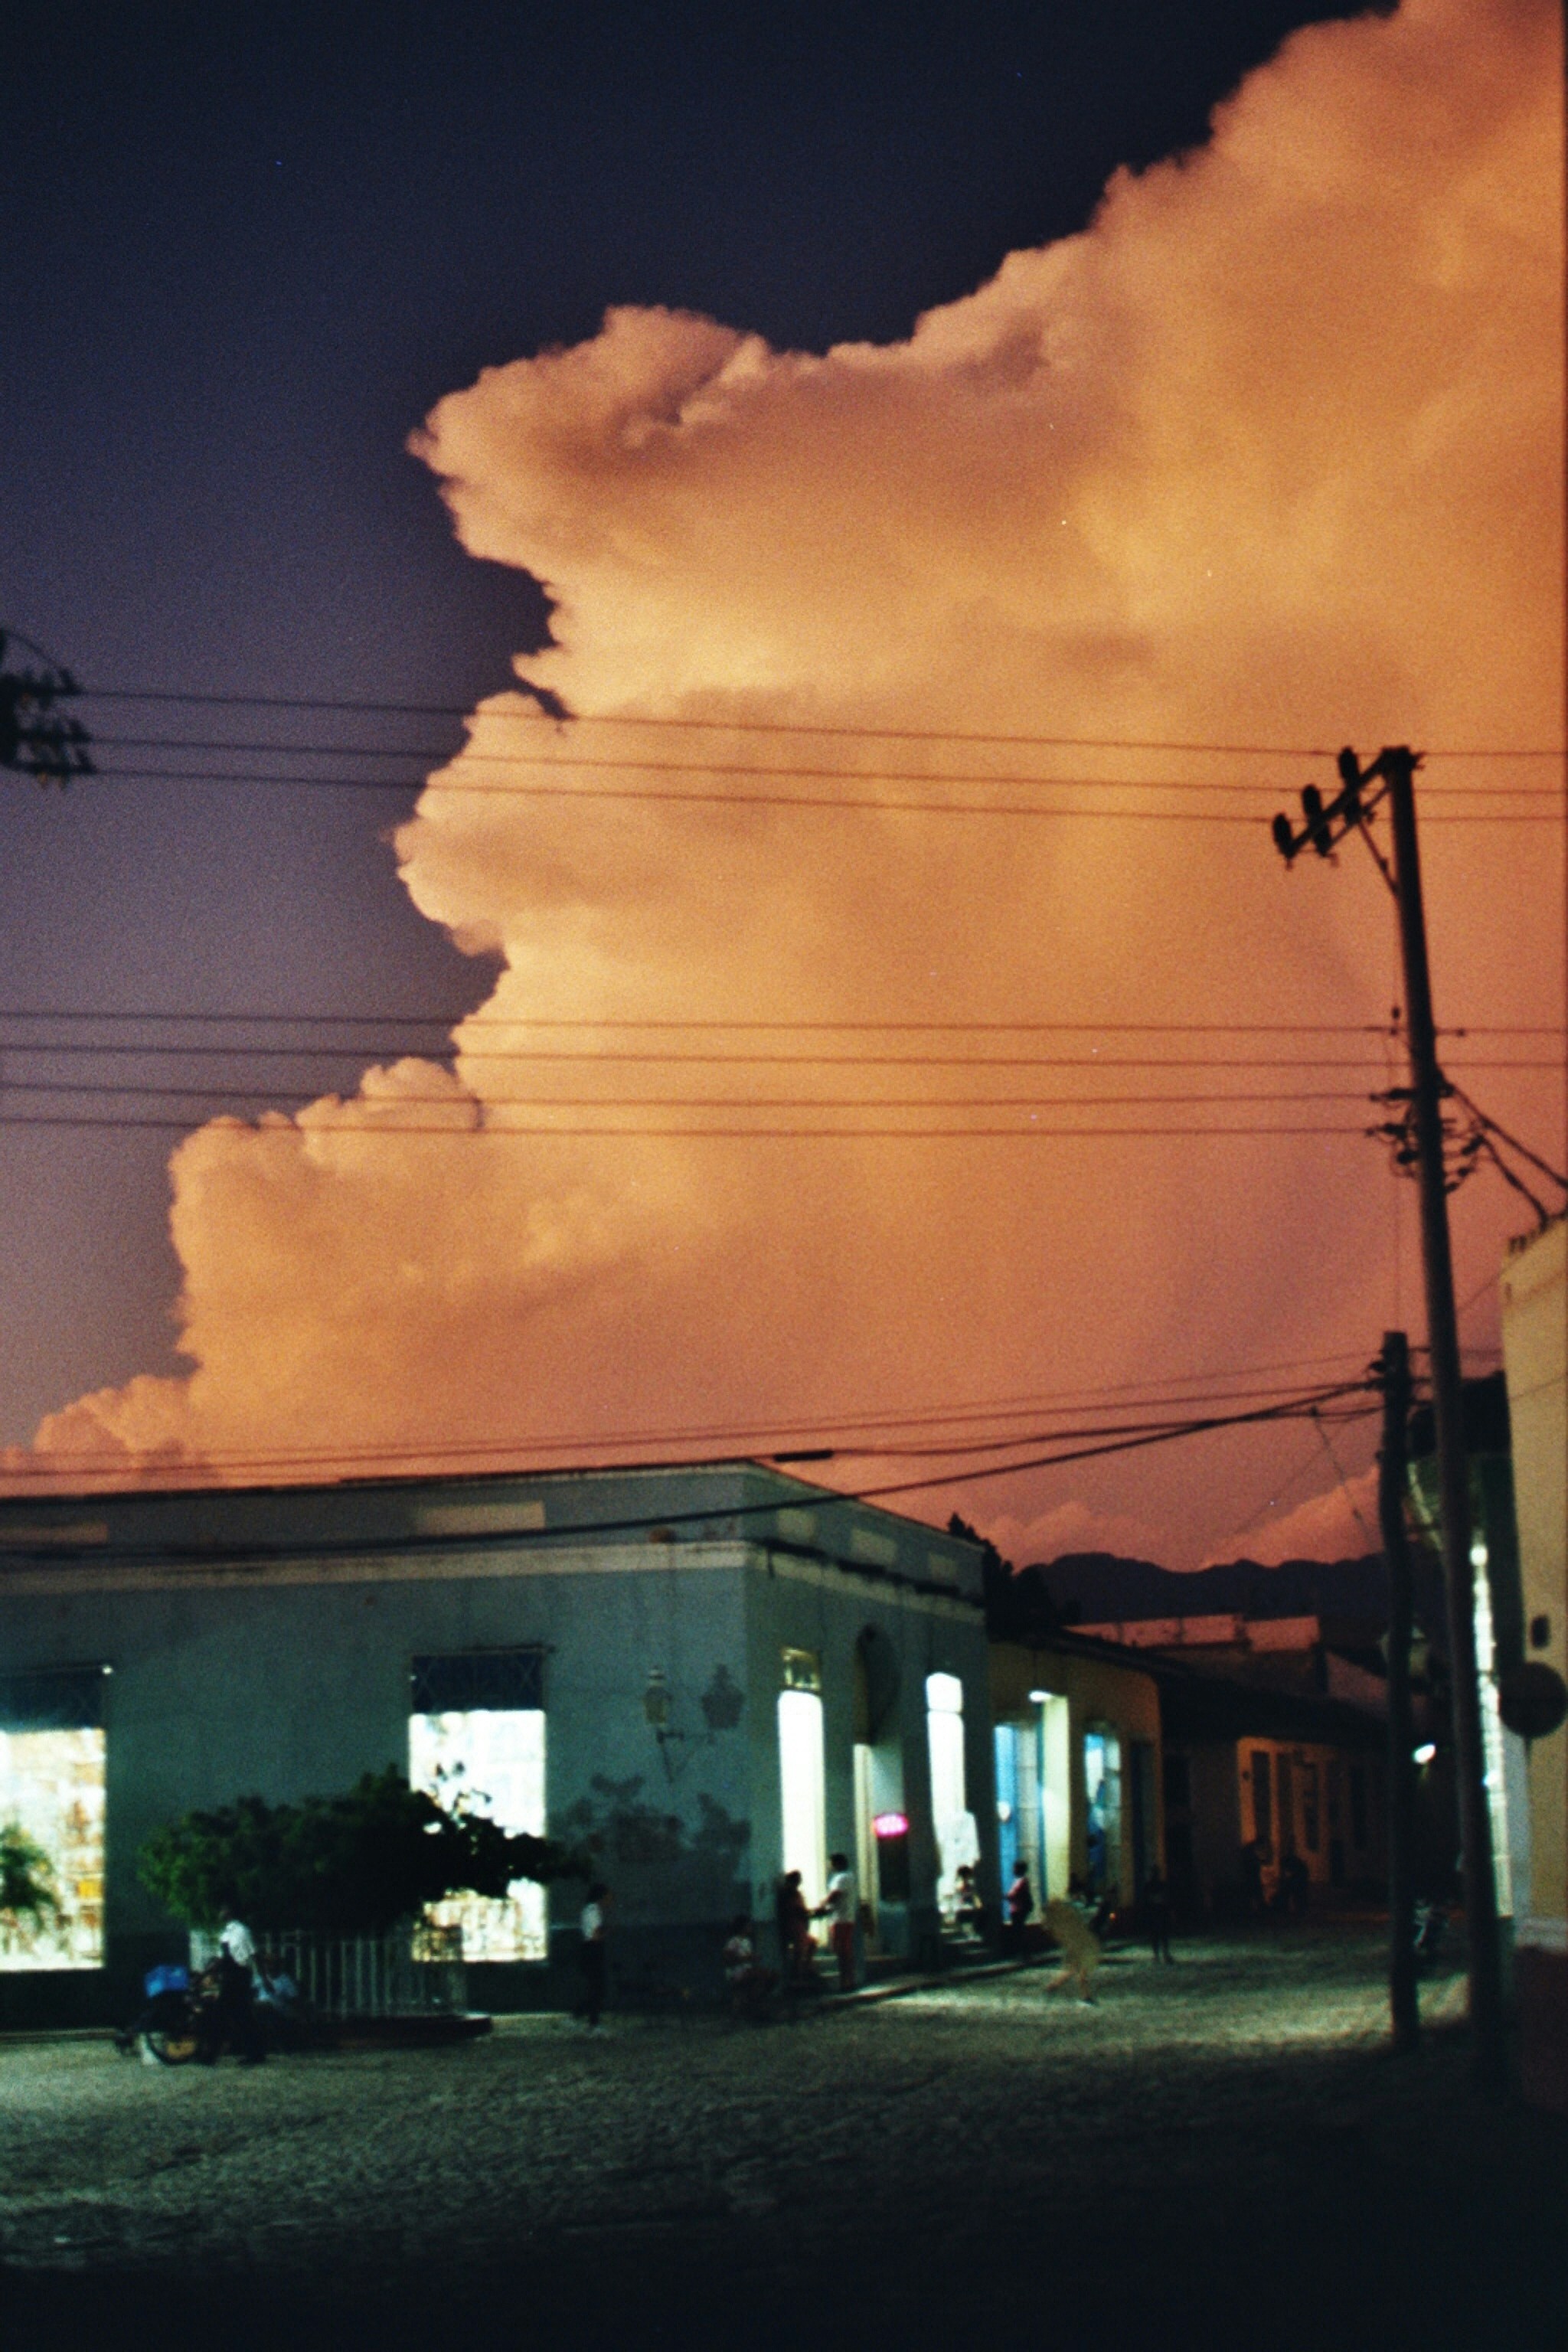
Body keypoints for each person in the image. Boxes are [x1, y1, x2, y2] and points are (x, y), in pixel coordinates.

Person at [209, 1915, 266, 2063]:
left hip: (239, 1976)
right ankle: (255, 2052)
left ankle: (211, 2053)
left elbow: (253, 1954)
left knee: (222, 2014)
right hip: (231, 1976)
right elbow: (222, 1958)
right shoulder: (226, 1933)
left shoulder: (241, 1931)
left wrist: (264, 1977)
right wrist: (210, 1972)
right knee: (242, 2016)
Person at [1043, 1895, 1101, 2003]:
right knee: (1076, 1970)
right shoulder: (1068, 1916)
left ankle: (1055, 1986)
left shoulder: (1059, 1921)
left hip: (1077, 1947)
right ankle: (1055, 1987)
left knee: (1074, 1970)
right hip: (1078, 1947)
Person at [722, 1914, 776, 2019]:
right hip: (737, 1973)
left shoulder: (747, 1942)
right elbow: (727, 1960)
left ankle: (756, 2003)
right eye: (748, 1926)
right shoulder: (734, 1941)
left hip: (747, 1970)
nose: (750, 1928)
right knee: (759, 1975)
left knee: (771, 1976)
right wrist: (747, 1959)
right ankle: (753, 2007)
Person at [816, 1854, 858, 1991]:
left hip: (841, 1919)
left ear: (837, 1864)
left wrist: (822, 1904)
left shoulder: (842, 1878)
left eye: (831, 1863)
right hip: (843, 1917)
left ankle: (846, 1982)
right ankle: (847, 1980)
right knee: (844, 1951)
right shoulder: (849, 1877)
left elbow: (835, 1895)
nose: (829, 1866)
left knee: (843, 1951)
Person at [775, 1870, 814, 1991]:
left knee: (812, 1944)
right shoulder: (787, 1893)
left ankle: (804, 1968)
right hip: (792, 1925)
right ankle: (797, 1974)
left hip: (799, 1925)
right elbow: (794, 1909)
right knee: (799, 1950)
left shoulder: (797, 1893)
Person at [579, 1882, 609, 2029]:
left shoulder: (588, 1910)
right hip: (593, 1949)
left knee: (594, 1987)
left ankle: (588, 2017)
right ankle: (591, 2020)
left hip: (589, 1949)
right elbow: (596, 1935)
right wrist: (608, 1932)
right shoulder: (593, 1911)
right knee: (597, 1987)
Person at [1143, 1867, 1174, 1964]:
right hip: (1159, 1913)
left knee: (1156, 1935)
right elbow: (1167, 1899)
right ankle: (1164, 1954)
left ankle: (1158, 1955)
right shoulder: (1161, 1885)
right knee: (1162, 1935)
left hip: (1155, 1913)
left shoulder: (1149, 1886)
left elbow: (1145, 1900)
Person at [1004, 1860, 1033, 1956]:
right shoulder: (1020, 1881)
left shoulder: (1021, 1881)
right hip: (1017, 1908)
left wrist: (1005, 1896)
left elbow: (1014, 1894)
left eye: (1014, 1868)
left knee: (1018, 1931)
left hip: (1019, 1909)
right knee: (1019, 1930)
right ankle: (1023, 1952)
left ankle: (1023, 1952)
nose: (1013, 1870)